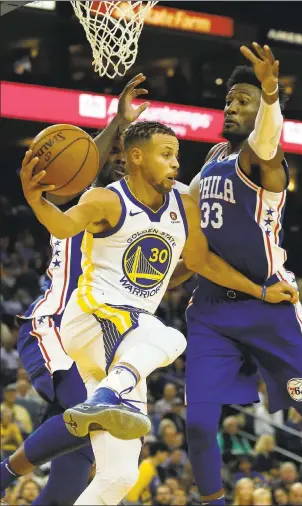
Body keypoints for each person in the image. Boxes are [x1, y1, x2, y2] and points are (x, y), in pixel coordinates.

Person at [19, 117, 295, 506]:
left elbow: (201, 263)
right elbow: (63, 226)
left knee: (119, 475)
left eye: (176, 155)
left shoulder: (184, 205)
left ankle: (106, 395)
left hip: (126, 345)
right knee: (171, 335)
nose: (175, 163)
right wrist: (36, 201)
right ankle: (107, 397)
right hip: (93, 319)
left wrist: (260, 291)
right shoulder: (105, 200)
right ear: (136, 156)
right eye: (165, 155)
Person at [0, 74, 150, 505]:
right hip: (56, 327)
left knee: (81, 448)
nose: (123, 162)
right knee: (88, 415)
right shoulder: (89, 199)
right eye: (117, 157)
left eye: (130, 157)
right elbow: (83, 161)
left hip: (95, 341)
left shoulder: (147, 219)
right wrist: (117, 124)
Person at [176, 42, 302, 505]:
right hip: (211, 308)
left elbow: (268, 139)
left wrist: (270, 95)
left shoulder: (263, 163)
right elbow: (190, 230)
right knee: (195, 422)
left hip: (269, 305)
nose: (231, 107)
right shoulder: (212, 159)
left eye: (243, 101)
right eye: (229, 99)